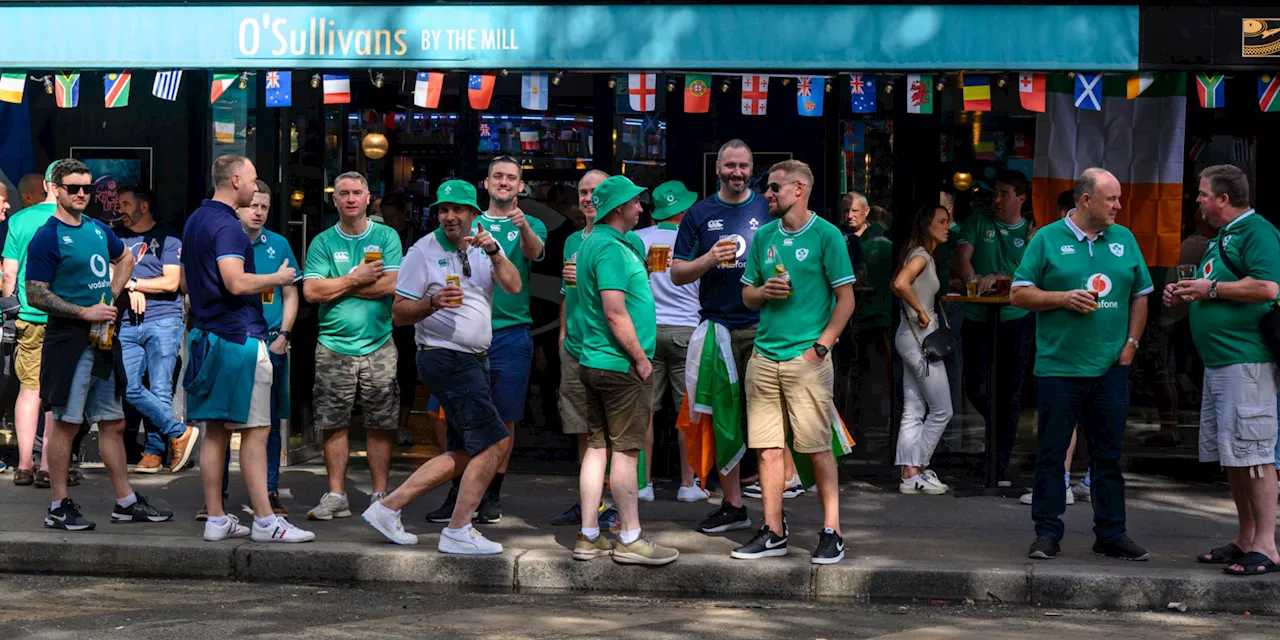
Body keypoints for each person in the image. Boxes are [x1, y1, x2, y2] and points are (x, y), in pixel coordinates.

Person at [361, 180, 519, 554]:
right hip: (445, 356)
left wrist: (495, 251)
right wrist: (432, 302)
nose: (449, 216)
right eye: (443, 210)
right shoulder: (422, 252)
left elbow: (513, 286)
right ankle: (459, 529)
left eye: (458, 210)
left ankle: (387, 508)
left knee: (466, 451)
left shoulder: (484, 246)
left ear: (473, 215)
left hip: (474, 358)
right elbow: (399, 314)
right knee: (496, 441)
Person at [1011, 167, 1152, 561]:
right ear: (1085, 200)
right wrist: (1061, 299)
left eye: (1118, 198)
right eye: (1111, 199)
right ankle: (1047, 533)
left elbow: (1141, 294)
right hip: (1059, 367)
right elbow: (1018, 295)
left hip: (1110, 367)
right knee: (1052, 455)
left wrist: (1132, 344)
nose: (1118, 206)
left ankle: (1111, 533)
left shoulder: (1124, 238)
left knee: (1108, 456)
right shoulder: (1046, 239)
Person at [25, 158, 173, 529]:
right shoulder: (47, 235)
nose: (80, 194)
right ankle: (58, 506)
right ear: (55, 189)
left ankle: (125, 502)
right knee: (66, 424)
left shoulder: (95, 228)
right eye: (73, 187)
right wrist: (84, 312)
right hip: (68, 340)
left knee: (114, 422)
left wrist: (111, 296)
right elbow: (35, 293)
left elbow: (124, 259)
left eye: (86, 188)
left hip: (103, 341)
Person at [184, 155, 313, 543]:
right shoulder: (229, 226)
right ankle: (265, 521)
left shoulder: (195, 220)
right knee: (257, 431)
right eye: (254, 181)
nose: (257, 189)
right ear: (236, 180)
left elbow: (189, 286)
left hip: (206, 336)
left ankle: (217, 518)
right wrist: (279, 276)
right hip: (238, 339)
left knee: (216, 432)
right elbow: (236, 282)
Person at [734, 160, 855, 564]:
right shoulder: (764, 235)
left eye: (773, 188)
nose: (766, 194)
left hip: (806, 357)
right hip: (764, 356)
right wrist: (763, 291)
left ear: (799, 189)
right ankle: (773, 531)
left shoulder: (827, 235)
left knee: (818, 448)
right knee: (767, 450)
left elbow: (847, 299)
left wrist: (820, 348)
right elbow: (747, 295)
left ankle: (832, 532)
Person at [1167, 165, 1280, 576]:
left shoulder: (1258, 232)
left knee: (1256, 456)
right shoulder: (1224, 238)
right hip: (1221, 362)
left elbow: (1269, 287)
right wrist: (1186, 290)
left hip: (1247, 362)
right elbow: (1215, 288)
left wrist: (1208, 289)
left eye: (1201, 194)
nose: (1197, 200)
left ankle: (1267, 545)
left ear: (1223, 199)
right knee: (1234, 456)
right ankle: (1245, 539)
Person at [424, 157, 547, 525]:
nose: (505, 182)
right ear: (486, 183)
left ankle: (491, 494)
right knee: (442, 412)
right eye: (498, 177)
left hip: (510, 332)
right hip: (461, 332)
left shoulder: (529, 223)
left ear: (521, 186)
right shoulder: (467, 221)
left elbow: (534, 253)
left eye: (512, 178)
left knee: (504, 417)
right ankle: (459, 487)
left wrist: (523, 226)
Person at [573, 175, 678, 565]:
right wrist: (640, 358)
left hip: (595, 360)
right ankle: (630, 537)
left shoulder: (597, 242)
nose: (641, 207)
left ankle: (588, 535)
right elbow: (615, 312)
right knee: (627, 452)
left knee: (598, 447)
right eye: (635, 201)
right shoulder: (611, 249)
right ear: (619, 208)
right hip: (619, 365)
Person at [670, 139, 768, 535]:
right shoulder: (699, 213)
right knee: (722, 421)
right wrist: (710, 258)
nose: (737, 172)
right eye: (730, 165)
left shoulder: (766, 206)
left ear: (751, 168)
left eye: (744, 166)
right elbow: (677, 273)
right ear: (718, 169)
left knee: (766, 420)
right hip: (718, 329)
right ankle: (733, 505)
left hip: (765, 328)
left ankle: (773, 509)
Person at [302, 172, 402, 520]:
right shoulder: (322, 242)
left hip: (379, 342)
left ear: (368, 197)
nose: (350, 198)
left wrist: (338, 284)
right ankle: (336, 495)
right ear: (334, 200)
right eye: (343, 193)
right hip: (332, 344)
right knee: (334, 422)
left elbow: (392, 284)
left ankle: (380, 496)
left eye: (356, 192)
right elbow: (312, 293)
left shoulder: (387, 236)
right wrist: (356, 278)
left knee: (381, 422)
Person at [550, 170, 624, 528]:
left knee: (616, 431)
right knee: (583, 429)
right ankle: (590, 504)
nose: (587, 197)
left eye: (595, 191)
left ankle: (615, 504)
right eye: (582, 191)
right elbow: (568, 294)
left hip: (610, 349)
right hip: (576, 346)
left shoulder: (627, 241)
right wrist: (563, 333)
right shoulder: (571, 242)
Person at [956, 169, 1035, 485]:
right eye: (996, 194)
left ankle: (998, 462)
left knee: (1010, 392)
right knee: (975, 386)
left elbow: (1035, 274)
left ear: (1020, 198)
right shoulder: (978, 221)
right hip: (978, 317)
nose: (997, 200)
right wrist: (975, 282)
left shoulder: (1032, 231)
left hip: (1016, 319)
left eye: (1004, 194)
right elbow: (962, 259)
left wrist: (1005, 280)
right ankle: (998, 436)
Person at [115, 185, 198, 474]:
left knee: (160, 388)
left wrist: (134, 284)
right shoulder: (116, 238)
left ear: (144, 207)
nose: (120, 209)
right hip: (127, 322)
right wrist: (129, 286)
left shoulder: (167, 237)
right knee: (130, 386)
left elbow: (171, 282)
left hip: (164, 319)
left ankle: (153, 452)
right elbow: (108, 274)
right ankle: (179, 432)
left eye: (125, 204)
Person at [634, 180, 708, 503]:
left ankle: (642, 483)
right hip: (686, 330)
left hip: (648, 331)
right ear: (683, 210)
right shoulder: (695, 239)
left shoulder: (637, 239)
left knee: (645, 411)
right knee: (686, 411)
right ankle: (688, 484)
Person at [891, 204, 954, 494]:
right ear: (927, 225)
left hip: (910, 337)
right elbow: (900, 283)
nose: (947, 226)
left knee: (914, 408)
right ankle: (918, 467)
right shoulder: (920, 256)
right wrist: (921, 311)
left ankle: (908, 475)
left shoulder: (920, 254)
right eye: (941, 221)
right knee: (942, 409)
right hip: (921, 340)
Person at [3, 163, 58, 487]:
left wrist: (14, 305)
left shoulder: (20, 220)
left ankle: (24, 465)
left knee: (29, 390)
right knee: (56, 396)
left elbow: (8, 274)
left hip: (29, 316)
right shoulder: (76, 222)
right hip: (65, 319)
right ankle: (50, 465)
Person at [375, 191, 419, 447]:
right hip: (381, 310)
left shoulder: (415, 237)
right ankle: (384, 425)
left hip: (407, 310)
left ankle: (401, 424)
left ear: (403, 214)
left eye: (393, 216)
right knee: (382, 371)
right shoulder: (377, 237)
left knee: (405, 370)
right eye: (384, 216)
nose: (389, 221)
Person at [935, 190, 966, 449]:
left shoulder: (957, 235)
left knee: (950, 362)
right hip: (933, 306)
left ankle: (951, 425)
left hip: (950, 305)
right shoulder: (924, 246)